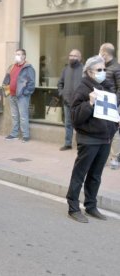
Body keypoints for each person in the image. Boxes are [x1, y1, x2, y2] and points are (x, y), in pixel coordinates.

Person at [66, 55, 118, 223]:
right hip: (88, 138)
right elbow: (74, 117)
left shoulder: (107, 88)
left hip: (105, 138)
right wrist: (89, 103)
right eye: (99, 70)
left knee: (95, 175)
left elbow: (111, 112)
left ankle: (91, 205)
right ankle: (73, 207)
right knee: (80, 174)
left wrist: (115, 124)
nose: (103, 72)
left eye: (104, 69)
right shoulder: (82, 89)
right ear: (89, 72)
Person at [2, 49, 36, 142]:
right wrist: (6, 90)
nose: (16, 56)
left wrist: (25, 93)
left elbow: (31, 83)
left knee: (23, 116)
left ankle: (25, 135)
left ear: (24, 56)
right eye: (16, 54)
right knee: (14, 115)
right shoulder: (12, 66)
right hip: (12, 95)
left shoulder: (28, 68)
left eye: (18, 54)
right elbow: (7, 79)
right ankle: (14, 134)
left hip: (22, 96)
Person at [99, 43, 120, 168]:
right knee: (103, 130)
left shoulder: (117, 68)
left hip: (113, 105)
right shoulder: (102, 67)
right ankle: (104, 157)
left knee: (115, 132)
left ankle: (114, 158)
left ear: (105, 53)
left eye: (100, 51)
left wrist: (114, 104)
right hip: (102, 104)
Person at [57, 49, 83, 151]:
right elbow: (60, 83)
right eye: (71, 55)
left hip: (80, 103)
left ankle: (81, 144)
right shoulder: (65, 69)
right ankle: (68, 143)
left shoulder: (84, 69)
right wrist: (61, 93)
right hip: (67, 102)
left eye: (75, 56)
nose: (72, 57)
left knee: (80, 124)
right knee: (68, 123)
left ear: (80, 58)